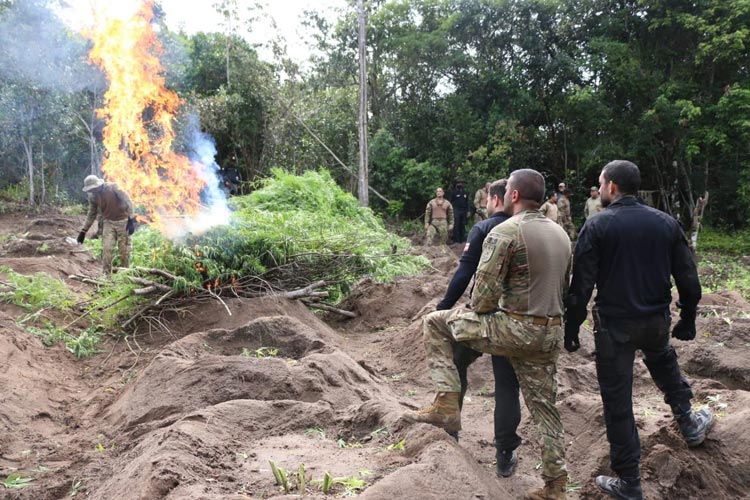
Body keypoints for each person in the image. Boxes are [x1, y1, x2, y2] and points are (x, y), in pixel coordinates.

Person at [406, 169, 572, 500]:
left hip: (513, 327)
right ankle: (556, 487)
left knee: (436, 322)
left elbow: (482, 298)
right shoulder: (562, 235)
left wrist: (471, 314)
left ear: (512, 195)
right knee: (545, 410)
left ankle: (446, 404)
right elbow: (564, 289)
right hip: (550, 333)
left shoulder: (506, 232)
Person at [564, 160, 712, 500]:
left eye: (601, 184)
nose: (599, 190)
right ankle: (688, 421)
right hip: (655, 321)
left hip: (614, 327)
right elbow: (689, 279)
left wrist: (572, 328)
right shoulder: (665, 223)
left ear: (612, 187)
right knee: (663, 362)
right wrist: (687, 318)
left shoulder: (597, 225)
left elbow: (581, 286)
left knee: (618, 401)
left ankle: (629, 482)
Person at [435, 179, 521, 478]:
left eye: (487, 198)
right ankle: (505, 453)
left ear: (496, 199)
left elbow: (464, 272)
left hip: (481, 316)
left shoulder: (483, 229)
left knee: (455, 362)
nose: (484, 202)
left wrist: (444, 305)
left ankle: (450, 429)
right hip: (513, 320)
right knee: (507, 384)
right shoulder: (526, 229)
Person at [77, 175, 135, 275]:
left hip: (123, 222)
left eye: (94, 189)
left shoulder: (114, 187)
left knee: (124, 252)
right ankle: (106, 276)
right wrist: (83, 231)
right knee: (106, 250)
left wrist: (131, 220)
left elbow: (128, 201)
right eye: (91, 190)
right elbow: (91, 213)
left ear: (99, 185)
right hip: (108, 223)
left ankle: (125, 276)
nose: (93, 191)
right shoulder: (93, 196)